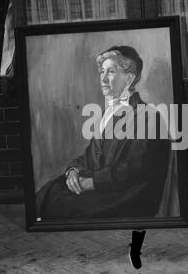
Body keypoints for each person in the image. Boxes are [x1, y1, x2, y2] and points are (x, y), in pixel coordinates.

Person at [36, 46, 170, 219]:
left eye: (111, 72)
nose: (103, 79)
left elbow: (134, 168)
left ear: (129, 79)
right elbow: (89, 156)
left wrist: (92, 182)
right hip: (101, 187)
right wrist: (73, 171)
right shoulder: (107, 113)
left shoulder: (147, 116)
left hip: (125, 197)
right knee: (50, 190)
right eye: (102, 72)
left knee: (62, 206)